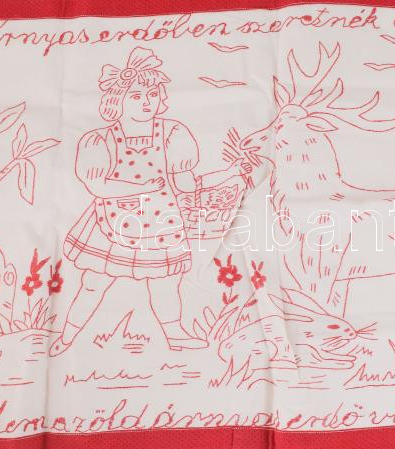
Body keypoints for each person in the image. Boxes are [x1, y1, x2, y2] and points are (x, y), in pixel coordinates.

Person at [50, 47, 250, 356]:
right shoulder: (99, 140)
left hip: (160, 224)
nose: (146, 102)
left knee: (166, 285)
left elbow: (186, 183)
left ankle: (175, 335)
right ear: (117, 100)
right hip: (111, 223)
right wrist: (140, 189)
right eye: (136, 96)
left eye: (152, 95)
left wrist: (229, 175)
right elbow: (98, 185)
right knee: (94, 282)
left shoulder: (172, 133)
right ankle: (67, 335)